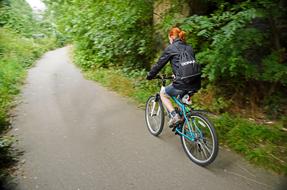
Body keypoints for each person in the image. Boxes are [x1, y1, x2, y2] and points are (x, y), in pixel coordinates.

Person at [146, 27, 201, 126]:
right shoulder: (189, 47)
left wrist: (150, 75)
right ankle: (185, 124)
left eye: (169, 39)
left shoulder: (171, 48)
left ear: (171, 37)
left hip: (183, 83)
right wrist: (176, 74)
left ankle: (174, 115)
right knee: (182, 100)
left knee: (163, 93)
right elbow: (188, 65)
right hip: (196, 82)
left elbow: (159, 64)